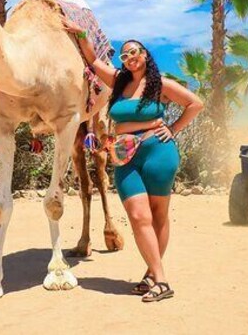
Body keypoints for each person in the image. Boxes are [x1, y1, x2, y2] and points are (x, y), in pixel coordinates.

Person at [62, 18, 204, 303]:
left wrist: (173, 128)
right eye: (124, 55)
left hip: (158, 151)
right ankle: (159, 278)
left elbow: (195, 103)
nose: (129, 58)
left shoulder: (159, 84)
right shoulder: (118, 82)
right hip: (125, 155)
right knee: (139, 216)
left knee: (158, 216)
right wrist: (80, 33)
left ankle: (154, 277)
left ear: (145, 55)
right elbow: (93, 60)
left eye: (134, 52)